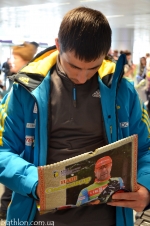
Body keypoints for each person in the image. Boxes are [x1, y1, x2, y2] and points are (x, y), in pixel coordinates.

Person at [0, 6, 150, 226]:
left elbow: (145, 148)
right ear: (58, 44)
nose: (82, 76)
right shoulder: (24, 91)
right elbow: (3, 151)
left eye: (93, 68)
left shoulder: (123, 91)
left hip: (108, 217)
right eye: (73, 66)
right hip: (38, 216)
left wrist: (146, 186)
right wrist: (34, 182)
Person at [0, 42, 36, 220]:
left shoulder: (29, 89)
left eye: (16, 58)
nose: (11, 61)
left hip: (23, 157)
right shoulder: (15, 84)